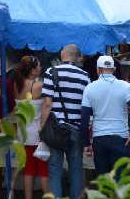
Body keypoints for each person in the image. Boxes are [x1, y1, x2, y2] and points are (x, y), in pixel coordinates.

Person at [41, 44, 90, 199]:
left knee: (55, 169)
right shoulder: (85, 76)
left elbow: (47, 104)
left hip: (56, 129)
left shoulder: (51, 72)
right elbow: (86, 107)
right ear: (76, 57)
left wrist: (41, 128)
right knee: (76, 169)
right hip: (76, 128)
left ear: (63, 54)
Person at [81, 55, 130, 176]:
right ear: (114, 69)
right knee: (122, 181)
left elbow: (84, 118)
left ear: (98, 69)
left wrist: (86, 143)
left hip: (99, 139)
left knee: (104, 182)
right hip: (121, 138)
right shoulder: (125, 86)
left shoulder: (89, 88)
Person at [11, 56, 48, 199]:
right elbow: (48, 104)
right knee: (44, 169)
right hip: (37, 132)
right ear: (33, 71)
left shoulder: (17, 85)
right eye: (38, 66)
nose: (40, 68)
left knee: (29, 169)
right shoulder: (38, 86)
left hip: (23, 132)